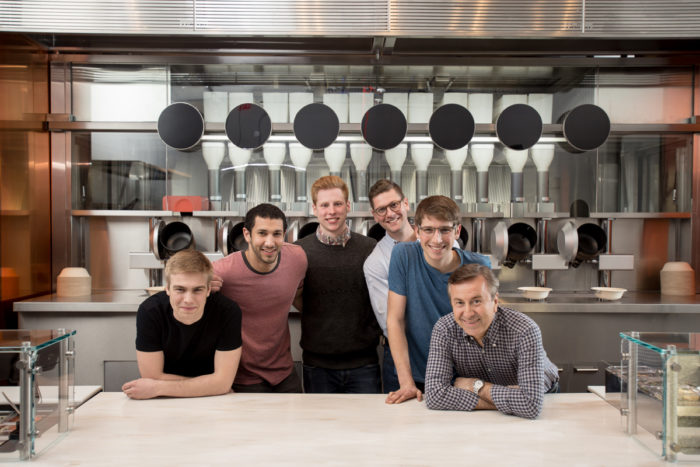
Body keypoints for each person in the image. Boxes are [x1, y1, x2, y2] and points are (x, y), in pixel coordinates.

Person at [386, 195, 490, 404]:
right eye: (428, 230)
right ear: (417, 230)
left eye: (444, 230)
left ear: (457, 231)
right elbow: (395, 320)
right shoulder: (403, 256)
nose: (437, 239)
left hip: (464, 379)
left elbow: (486, 325)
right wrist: (406, 383)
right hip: (415, 376)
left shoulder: (479, 265)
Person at [424, 264, 559, 419]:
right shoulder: (444, 329)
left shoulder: (525, 330)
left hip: (547, 398)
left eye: (476, 301)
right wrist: (511, 401)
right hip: (498, 408)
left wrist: (477, 386)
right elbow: (434, 395)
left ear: (495, 302)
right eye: (460, 303)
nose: (467, 313)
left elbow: (531, 405)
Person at [295, 175, 381, 393]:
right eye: (324, 205)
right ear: (314, 208)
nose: (331, 211)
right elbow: (292, 296)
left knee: (367, 427)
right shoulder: (298, 251)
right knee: (321, 427)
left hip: (364, 364)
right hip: (318, 365)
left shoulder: (370, 248)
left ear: (348, 206)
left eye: (337, 204)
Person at [123, 249, 242, 399]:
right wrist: (211, 385)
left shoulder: (228, 312)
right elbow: (151, 376)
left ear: (208, 290)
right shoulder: (150, 311)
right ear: (167, 289)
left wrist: (158, 387)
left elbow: (222, 383)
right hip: (165, 400)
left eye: (197, 290)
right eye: (180, 289)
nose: (188, 299)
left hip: (212, 401)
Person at [213, 203, 307, 393]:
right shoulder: (223, 271)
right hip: (243, 378)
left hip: (285, 373)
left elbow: (297, 294)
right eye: (262, 233)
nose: (270, 242)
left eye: (277, 234)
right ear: (247, 235)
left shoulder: (297, 258)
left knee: (299, 422)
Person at [363, 179, 415, 393]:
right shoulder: (376, 261)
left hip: (447, 349)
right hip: (402, 352)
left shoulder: (439, 240)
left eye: (394, 205)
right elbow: (391, 322)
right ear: (375, 215)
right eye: (381, 209)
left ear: (406, 204)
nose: (390, 213)